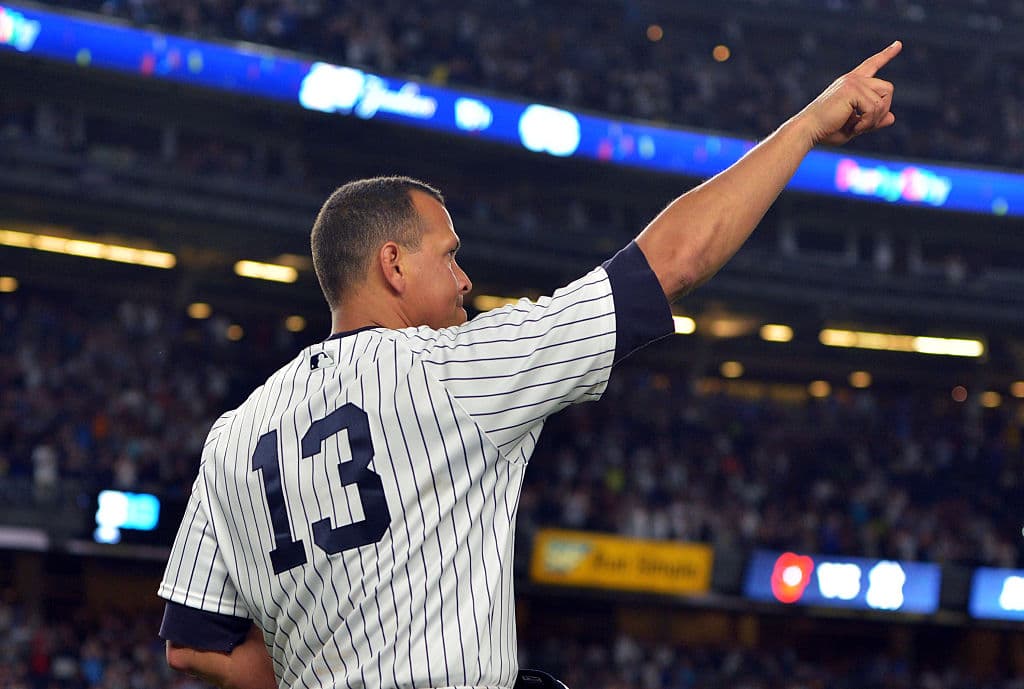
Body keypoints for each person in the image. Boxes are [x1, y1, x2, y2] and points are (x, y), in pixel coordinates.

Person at [158, 41, 902, 689]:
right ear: (391, 263)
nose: (463, 280)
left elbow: (194, 645)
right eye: (448, 255)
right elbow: (673, 262)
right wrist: (807, 124)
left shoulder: (232, 434)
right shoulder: (455, 368)